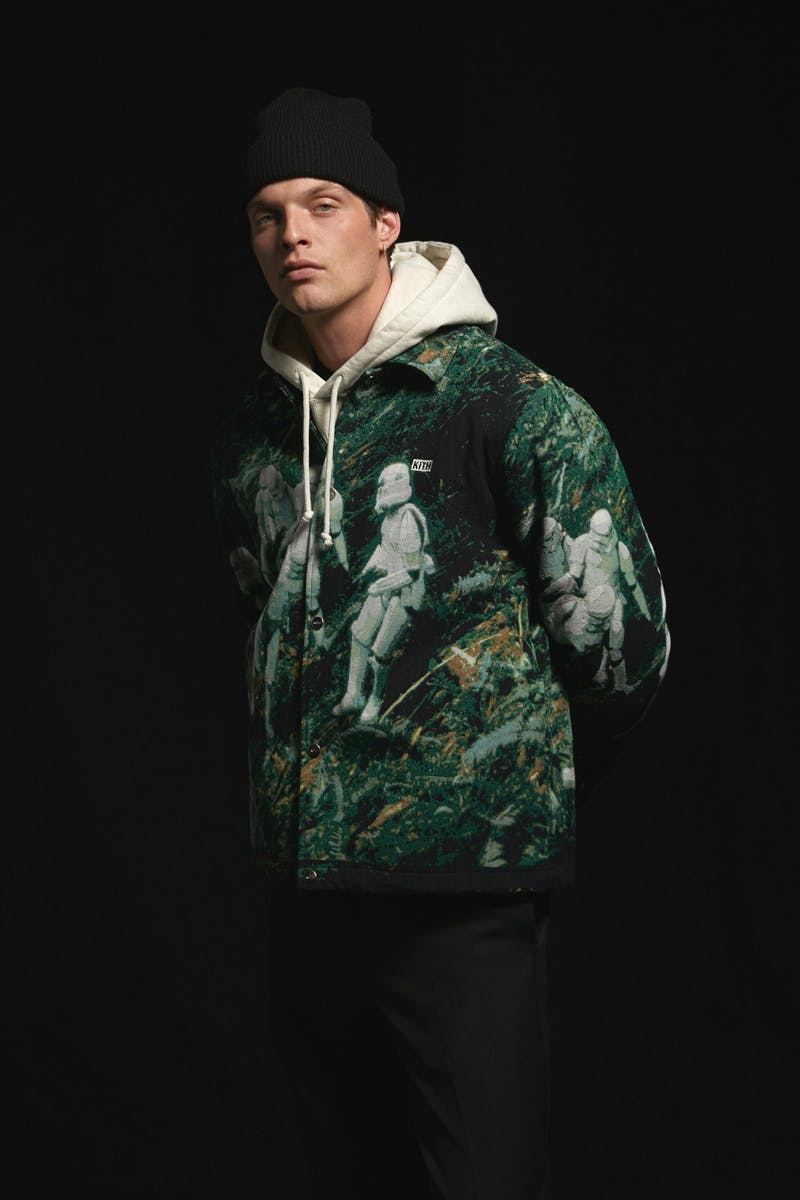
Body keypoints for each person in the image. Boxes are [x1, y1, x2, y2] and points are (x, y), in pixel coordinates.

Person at [211, 86, 670, 1200]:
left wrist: (506, 781)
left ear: (385, 225)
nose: (292, 234)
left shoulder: (507, 405)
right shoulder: (260, 434)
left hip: (459, 892)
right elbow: (266, 620)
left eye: (322, 204)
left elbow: (620, 647)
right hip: (307, 891)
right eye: (268, 213)